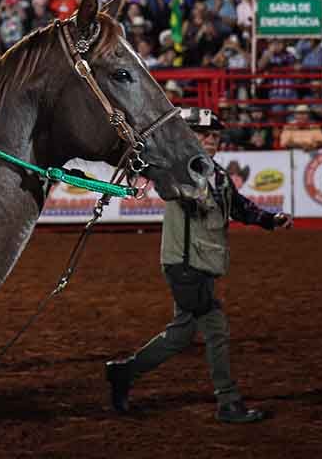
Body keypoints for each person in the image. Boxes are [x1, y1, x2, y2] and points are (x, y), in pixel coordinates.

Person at [106, 107, 293, 424]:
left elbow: (239, 206)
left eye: (215, 136)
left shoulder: (216, 173)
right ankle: (228, 401)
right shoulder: (178, 168)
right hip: (185, 266)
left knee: (180, 336)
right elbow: (166, 185)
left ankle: (125, 372)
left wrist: (270, 220)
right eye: (204, 135)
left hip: (199, 263)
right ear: (189, 136)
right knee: (216, 327)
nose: (211, 141)